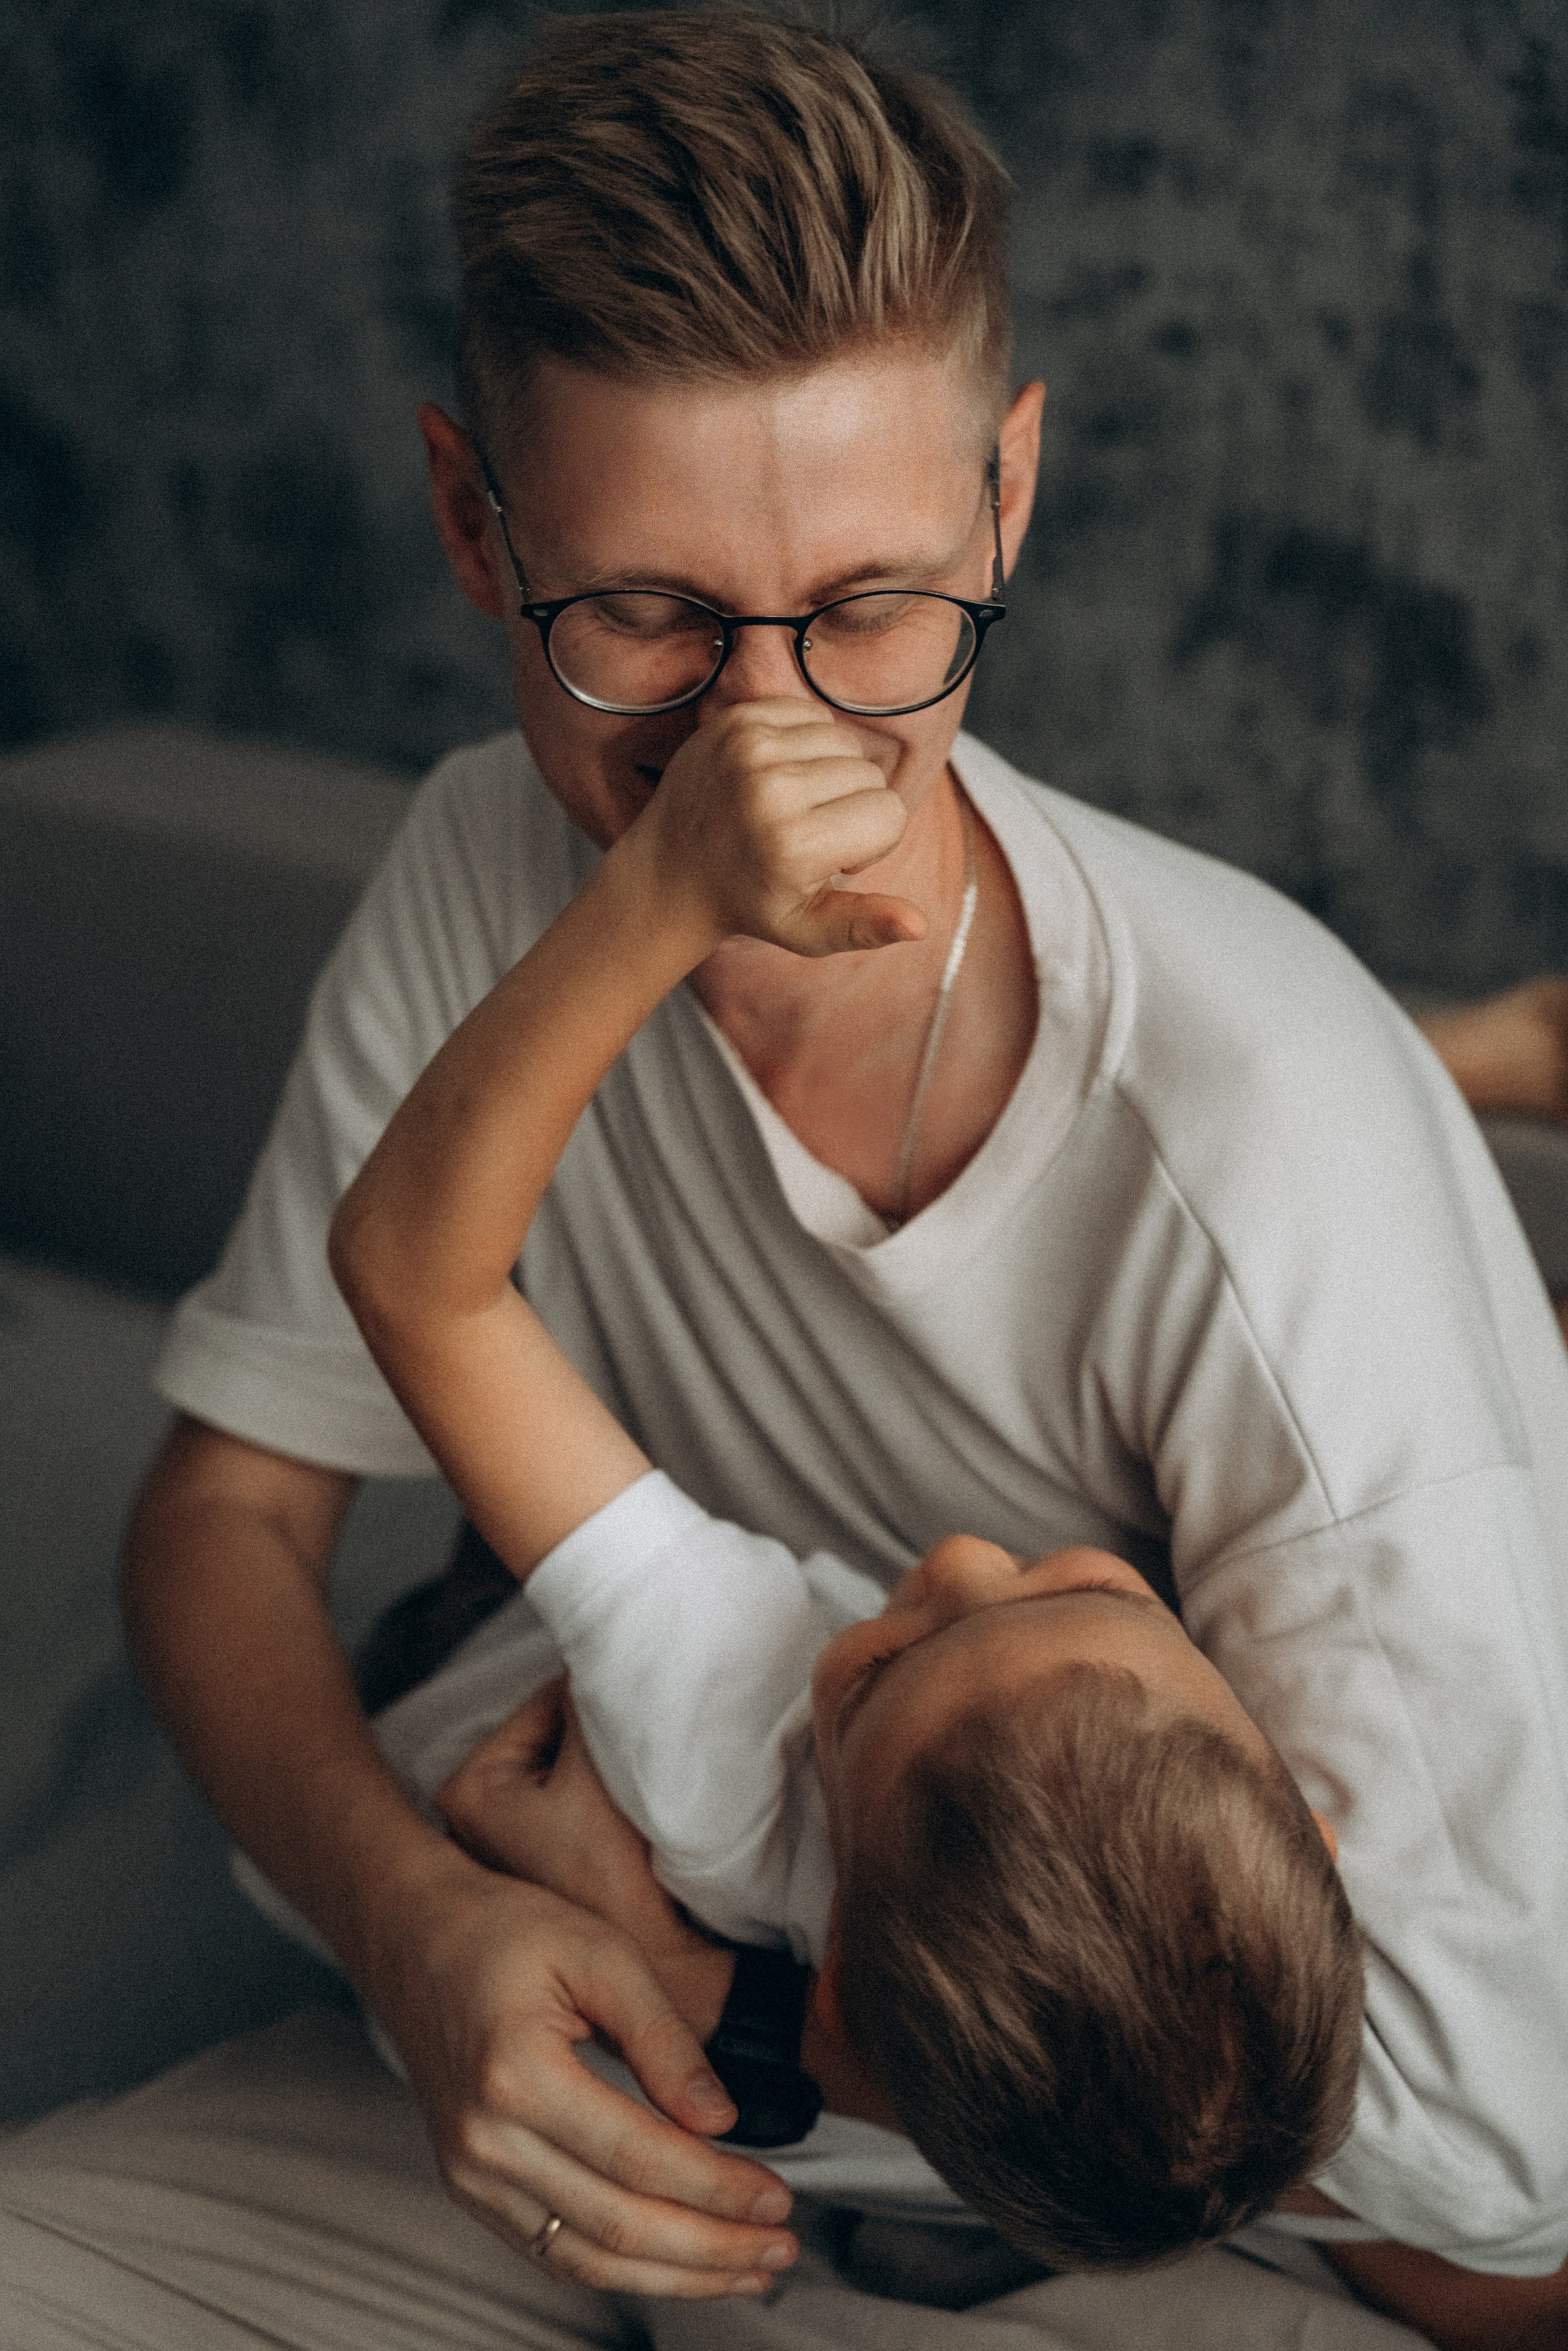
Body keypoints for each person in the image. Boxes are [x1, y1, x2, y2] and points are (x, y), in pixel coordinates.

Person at [3, 11, 1566, 2348]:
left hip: (1141, 2219)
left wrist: (745, 2013)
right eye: (646, 612)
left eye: (864, 608)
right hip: (527, 2048)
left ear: (1006, 496)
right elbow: (228, 1511)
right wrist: (427, 1931)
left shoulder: (1281, 1172)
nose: (768, 741)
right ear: (474, 523)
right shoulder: (490, 879)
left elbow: (1497, 2192)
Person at [306, 730, 1363, 2266]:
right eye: (1090, 1589)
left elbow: (412, 1279)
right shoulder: (1060, 2108)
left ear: (839, 1993)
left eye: (878, 1668)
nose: (962, 1558)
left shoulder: (723, 1722)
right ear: (1314, 1833)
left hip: (455, 1712)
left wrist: (651, 905)